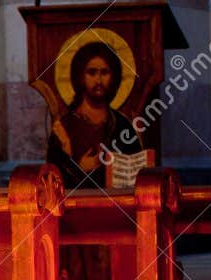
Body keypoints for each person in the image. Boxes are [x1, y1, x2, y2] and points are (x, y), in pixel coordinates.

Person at [45, 41, 143, 188]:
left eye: (104, 72)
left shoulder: (122, 125)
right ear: (80, 77)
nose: (98, 80)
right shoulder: (64, 129)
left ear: (113, 77)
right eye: (91, 72)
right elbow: (52, 183)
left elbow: (137, 176)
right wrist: (79, 168)